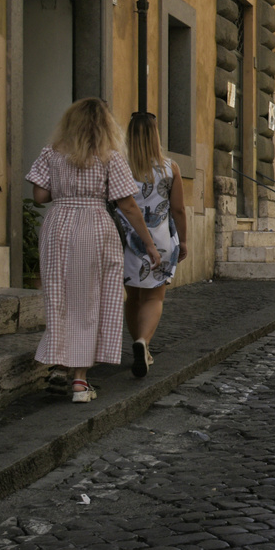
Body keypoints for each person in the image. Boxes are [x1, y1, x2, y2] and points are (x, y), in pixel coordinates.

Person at [28, 98, 160, 404]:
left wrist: (65, 188)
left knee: (59, 295)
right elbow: (127, 204)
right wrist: (149, 244)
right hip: (94, 225)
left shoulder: (52, 152)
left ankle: (60, 365)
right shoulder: (110, 158)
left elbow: (39, 195)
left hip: (58, 224)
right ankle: (79, 380)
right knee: (89, 300)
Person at [119, 112, 186, 378]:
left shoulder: (120, 166)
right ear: (156, 136)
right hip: (159, 240)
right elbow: (178, 209)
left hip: (127, 240)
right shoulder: (170, 168)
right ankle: (143, 343)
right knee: (155, 296)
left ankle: (140, 345)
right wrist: (185, 241)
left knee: (133, 295)